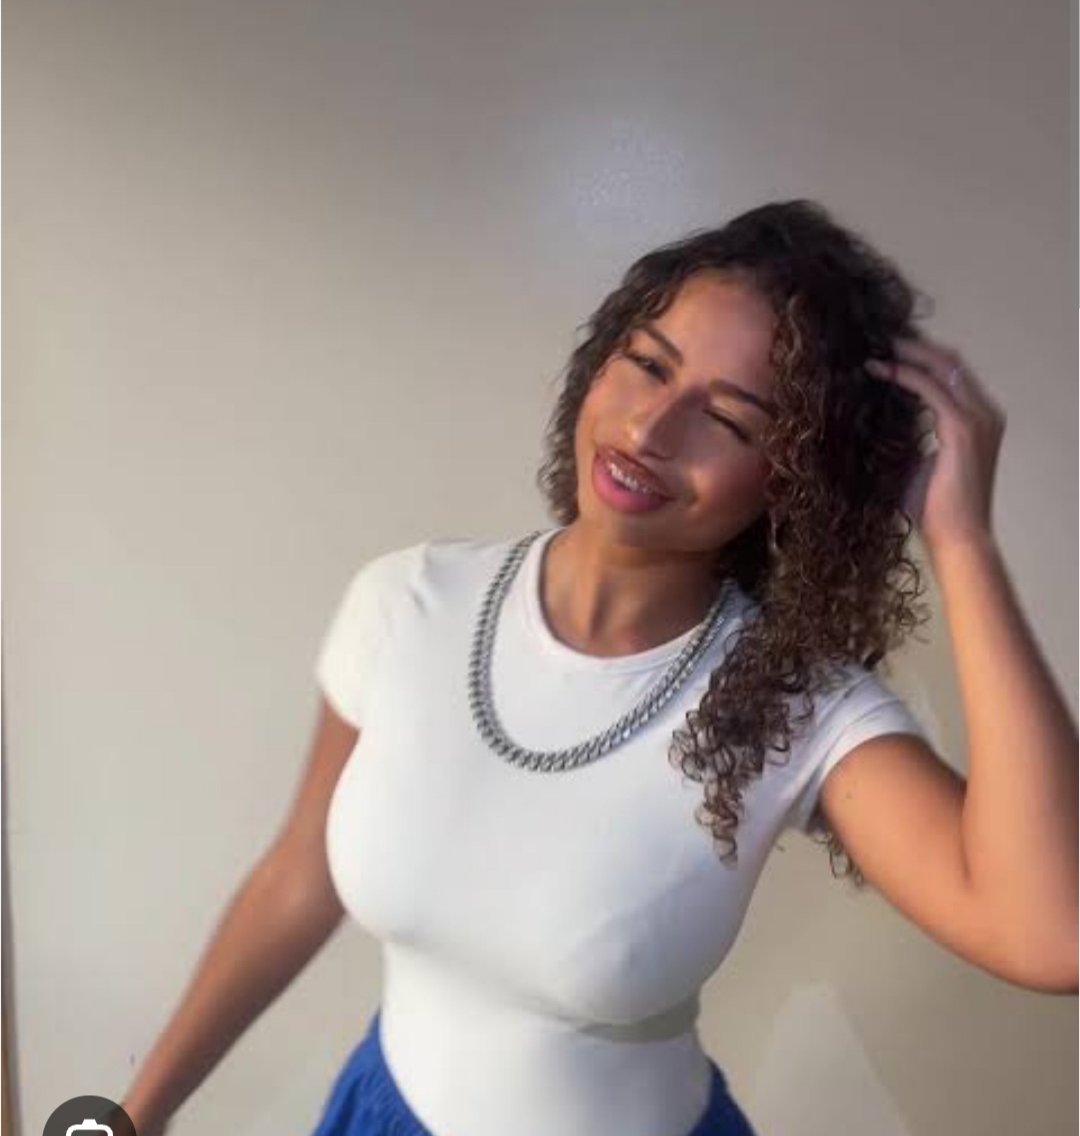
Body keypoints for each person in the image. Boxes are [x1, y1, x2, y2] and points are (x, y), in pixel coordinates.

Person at [120, 200, 1078, 1136]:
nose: (650, 429)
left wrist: (963, 544)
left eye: (730, 418)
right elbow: (297, 877)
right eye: (648, 364)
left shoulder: (797, 704)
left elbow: (1051, 932)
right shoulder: (408, 600)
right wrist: (137, 1111)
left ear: (795, 480)